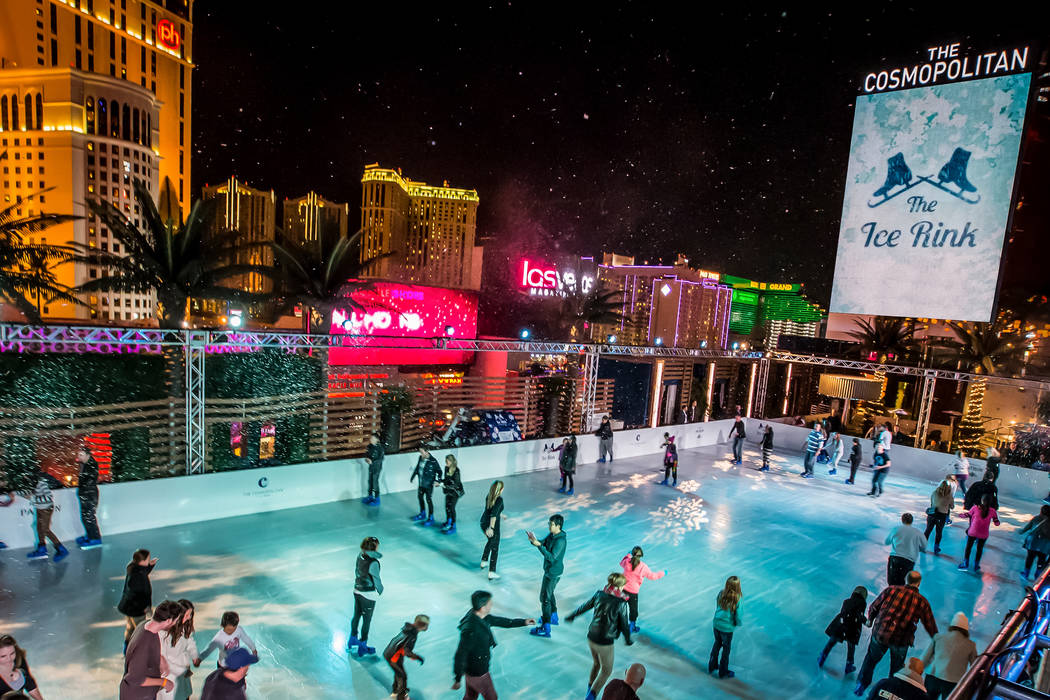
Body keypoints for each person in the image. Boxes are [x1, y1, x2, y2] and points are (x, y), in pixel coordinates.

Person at [854, 570, 937, 697]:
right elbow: (930, 624)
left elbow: (874, 606)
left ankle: (861, 685)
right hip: (901, 640)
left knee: (871, 659)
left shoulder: (890, 590)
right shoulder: (922, 602)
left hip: (881, 633)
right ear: (918, 584)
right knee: (896, 668)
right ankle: (892, 691)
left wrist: (870, 619)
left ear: (906, 580)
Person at [451, 590, 534, 700]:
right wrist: (457, 679)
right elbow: (460, 655)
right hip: (478, 672)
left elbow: (501, 621)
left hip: (471, 671)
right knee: (491, 697)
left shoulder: (479, 616)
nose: (492, 605)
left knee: (470, 696)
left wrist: (523, 622)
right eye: (490, 603)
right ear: (483, 607)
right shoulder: (471, 630)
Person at [565, 573, 634, 700]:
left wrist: (572, 616)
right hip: (604, 641)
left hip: (591, 636)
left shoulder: (599, 594)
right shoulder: (621, 603)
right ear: (620, 586)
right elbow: (624, 624)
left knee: (596, 664)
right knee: (606, 671)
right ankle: (590, 697)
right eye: (624, 585)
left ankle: (589, 690)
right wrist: (628, 639)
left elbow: (584, 606)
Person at [119, 599, 183, 700]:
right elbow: (136, 678)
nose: (175, 623)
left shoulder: (146, 625)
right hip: (137, 696)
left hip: (145, 694)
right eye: (176, 620)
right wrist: (164, 682)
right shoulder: (143, 643)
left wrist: (160, 658)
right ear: (169, 621)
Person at [527, 513, 567, 638]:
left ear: (558, 526)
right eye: (549, 523)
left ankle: (546, 627)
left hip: (554, 572)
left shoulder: (560, 541)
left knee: (544, 599)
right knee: (548, 594)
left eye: (551, 524)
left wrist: (539, 546)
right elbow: (542, 543)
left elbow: (551, 557)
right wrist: (534, 541)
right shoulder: (552, 535)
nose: (549, 526)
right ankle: (553, 616)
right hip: (550, 571)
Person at [921, 612, 977, 700]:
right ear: (966, 629)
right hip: (953, 682)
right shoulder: (971, 645)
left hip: (933, 677)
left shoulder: (938, 637)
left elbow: (925, 658)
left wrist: (916, 671)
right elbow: (975, 666)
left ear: (952, 625)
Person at [18, 466, 68, 562]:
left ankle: (61, 549)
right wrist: (15, 493)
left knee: (45, 530)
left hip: (46, 509)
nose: (25, 477)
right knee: (39, 528)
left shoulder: (41, 483)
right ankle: (42, 549)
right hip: (39, 508)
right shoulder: (33, 482)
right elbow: (28, 492)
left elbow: (49, 497)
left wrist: (33, 498)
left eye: (26, 475)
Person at [819, 586, 868, 675]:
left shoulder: (846, 601)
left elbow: (845, 611)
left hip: (841, 624)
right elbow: (859, 615)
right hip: (853, 626)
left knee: (832, 641)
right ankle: (849, 665)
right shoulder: (862, 603)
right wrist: (865, 621)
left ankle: (823, 656)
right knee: (851, 646)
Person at [159, 599, 201, 700]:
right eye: (187, 615)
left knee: (184, 694)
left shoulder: (185, 628)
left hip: (182, 672)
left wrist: (195, 656)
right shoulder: (164, 633)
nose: (189, 618)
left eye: (190, 615)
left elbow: (190, 642)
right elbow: (162, 656)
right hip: (169, 673)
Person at [118, 549, 158, 654]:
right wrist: (145, 607)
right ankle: (140, 653)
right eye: (148, 559)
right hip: (135, 609)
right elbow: (135, 594)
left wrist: (150, 566)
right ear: (142, 561)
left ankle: (126, 649)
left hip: (128, 607)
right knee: (141, 632)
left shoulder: (135, 568)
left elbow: (143, 571)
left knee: (130, 628)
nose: (149, 560)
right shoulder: (137, 576)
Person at [618, 546, 666, 633]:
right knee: (633, 611)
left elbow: (621, 563)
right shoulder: (643, 567)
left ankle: (616, 623)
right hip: (633, 593)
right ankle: (632, 627)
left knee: (620, 607)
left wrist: (628, 555)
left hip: (622, 589)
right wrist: (663, 573)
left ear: (632, 554)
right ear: (641, 555)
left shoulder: (626, 561)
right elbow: (653, 576)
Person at [348, 536, 382, 656]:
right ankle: (363, 646)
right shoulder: (373, 562)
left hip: (357, 590)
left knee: (356, 615)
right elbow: (376, 579)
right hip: (368, 594)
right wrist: (380, 589)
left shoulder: (360, 555)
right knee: (366, 620)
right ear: (374, 547)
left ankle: (352, 640)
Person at [383, 614, 429, 700]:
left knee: (399, 673)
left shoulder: (409, 628)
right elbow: (407, 652)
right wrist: (418, 657)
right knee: (402, 676)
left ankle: (396, 691)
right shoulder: (412, 635)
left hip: (393, 652)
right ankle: (401, 696)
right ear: (423, 625)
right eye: (427, 625)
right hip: (393, 656)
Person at [958, 493, 1000, 573]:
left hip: (973, 532)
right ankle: (976, 565)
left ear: (981, 500)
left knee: (968, 548)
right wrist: (996, 521)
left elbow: (967, 514)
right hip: (983, 534)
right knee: (979, 549)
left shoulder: (975, 508)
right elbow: (996, 523)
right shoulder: (992, 511)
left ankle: (965, 563)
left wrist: (961, 515)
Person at [710, 575, 742, 679]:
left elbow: (717, 607)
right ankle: (723, 672)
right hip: (727, 629)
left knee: (717, 643)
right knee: (726, 649)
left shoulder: (721, 593)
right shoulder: (737, 598)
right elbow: (738, 614)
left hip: (717, 624)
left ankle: (712, 665)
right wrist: (737, 623)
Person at [885, 513, 925, 586]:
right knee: (903, 583)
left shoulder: (896, 529)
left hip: (895, 558)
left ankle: (891, 595)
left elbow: (887, 542)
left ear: (902, 520)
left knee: (892, 583)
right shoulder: (917, 532)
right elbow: (924, 546)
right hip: (909, 560)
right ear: (912, 521)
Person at [75, 444, 102, 549]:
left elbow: (88, 481)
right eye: (79, 455)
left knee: (89, 517)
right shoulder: (86, 465)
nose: (79, 457)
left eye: (81, 455)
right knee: (86, 517)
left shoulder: (91, 465)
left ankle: (95, 538)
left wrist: (83, 491)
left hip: (89, 495)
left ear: (87, 455)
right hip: (87, 494)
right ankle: (91, 536)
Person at [0, 635, 43, 699]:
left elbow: (30, 684)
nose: (9, 659)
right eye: (3, 656)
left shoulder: (19, 659)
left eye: (12, 653)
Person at [410, 447, 442, 526]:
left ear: (427, 451)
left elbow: (439, 471)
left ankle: (431, 517)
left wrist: (438, 480)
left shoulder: (433, 461)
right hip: (421, 484)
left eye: (422, 452)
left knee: (428, 500)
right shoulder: (420, 458)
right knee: (420, 498)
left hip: (429, 485)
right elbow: (417, 468)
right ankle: (422, 513)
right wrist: (413, 476)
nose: (421, 453)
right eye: (420, 452)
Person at [480, 481, 504, 581]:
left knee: (491, 542)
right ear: (500, 489)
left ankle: (484, 561)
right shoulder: (499, 499)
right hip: (491, 524)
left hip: (483, 522)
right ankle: (491, 572)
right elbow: (493, 515)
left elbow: (492, 510)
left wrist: (501, 515)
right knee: (495, 546)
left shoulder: (489, 496)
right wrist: (491, 528)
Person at [1019, 505, 1050, 580]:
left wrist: (1022, 531)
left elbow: (1028, 527)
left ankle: (1026, 574)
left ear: (1041, 511)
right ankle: (1038, 575)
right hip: (1044, 546)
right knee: (1041, 560)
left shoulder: (1036, 518)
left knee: (1030, 558)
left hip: (1033, 544)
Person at [924, 479, 954, 554]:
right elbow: (952, 506)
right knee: (939, 532)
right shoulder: (949, 496)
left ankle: (923, 546)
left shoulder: (934, 493)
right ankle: (936, 547)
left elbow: (932, 502)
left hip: (932, 514)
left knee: (928, 530)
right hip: (941, 516)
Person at [441, 455, 465, 534]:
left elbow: (456, 484)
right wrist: (440, 482)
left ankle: (453, 525)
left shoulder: (456, 470)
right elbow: (446, 479)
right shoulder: (446, 468)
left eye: (447, 461)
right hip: (448, 490)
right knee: (447, 506)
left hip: (455, 491)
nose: (446, 463)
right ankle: (448, 521)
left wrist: (445, 485)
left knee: (451, 507)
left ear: (451, 462)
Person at [362, 433, 384, 506]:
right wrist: (367, 459)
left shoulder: (380, 448)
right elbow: (367, 455)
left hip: (377, 468)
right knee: (370, 481)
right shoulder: (369, 447)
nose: (370, 439)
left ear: (376, 439)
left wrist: (372, 461)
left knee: (375, 482)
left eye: (372, 438)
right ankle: (370, 496)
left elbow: (381, 459)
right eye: (370, 438)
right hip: (371, 467)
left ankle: (377, 499)